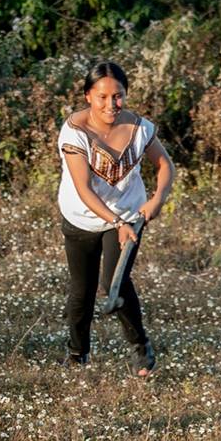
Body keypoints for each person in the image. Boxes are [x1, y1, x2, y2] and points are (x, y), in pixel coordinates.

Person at [57, 60, 175, 376]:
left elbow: (165, 165)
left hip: (126, 215)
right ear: (87, 96)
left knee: (114, 283)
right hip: (82, 218)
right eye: (103, 97)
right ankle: (77, 354)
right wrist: (116, 222)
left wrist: (156, 200)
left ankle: (141, 350)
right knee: (81, 289)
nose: (112, 104)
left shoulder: (140, 128)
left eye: (118, 96)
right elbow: (83, 188)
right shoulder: (74, 131)